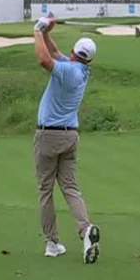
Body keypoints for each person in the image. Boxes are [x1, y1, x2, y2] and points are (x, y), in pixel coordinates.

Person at [31, 15, 101, 264]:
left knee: (45, 190)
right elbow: (56, 53)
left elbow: (44, 59)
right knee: (70, 187)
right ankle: (85, 230)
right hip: (70, 136)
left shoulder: (68, 71)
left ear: (75, 52)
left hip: (49, 135)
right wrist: (48, 32)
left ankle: (52, 243)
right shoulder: (82, 70)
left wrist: (37, 31)